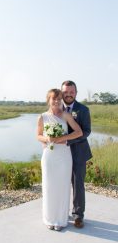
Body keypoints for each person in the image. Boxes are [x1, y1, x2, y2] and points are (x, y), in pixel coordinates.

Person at [37, 89, 83, 231]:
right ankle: (50, 219)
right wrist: (48, 138)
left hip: (64, 156)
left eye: (59, 99)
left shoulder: (66, 115)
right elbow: (38, 135)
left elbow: (79, 132)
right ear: (48, 100)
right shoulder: (42, 117)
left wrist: (62, 138)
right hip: (49, 156)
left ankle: (61, 220)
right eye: (53, 99)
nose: (56, 102)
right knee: (49, 187)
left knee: (62, 187)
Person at [61, 80, 92, 228]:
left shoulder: (83, 110)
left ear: (76, 93)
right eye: (65, 92)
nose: (68, 94)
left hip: (78, 152)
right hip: (59, 154)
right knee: (59, 183)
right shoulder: (56, 108)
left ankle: (78, 215)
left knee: (77, 184)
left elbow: (86, 131)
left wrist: (67, 141)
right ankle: (60, 212)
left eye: (71, 92)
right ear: (61, 93)